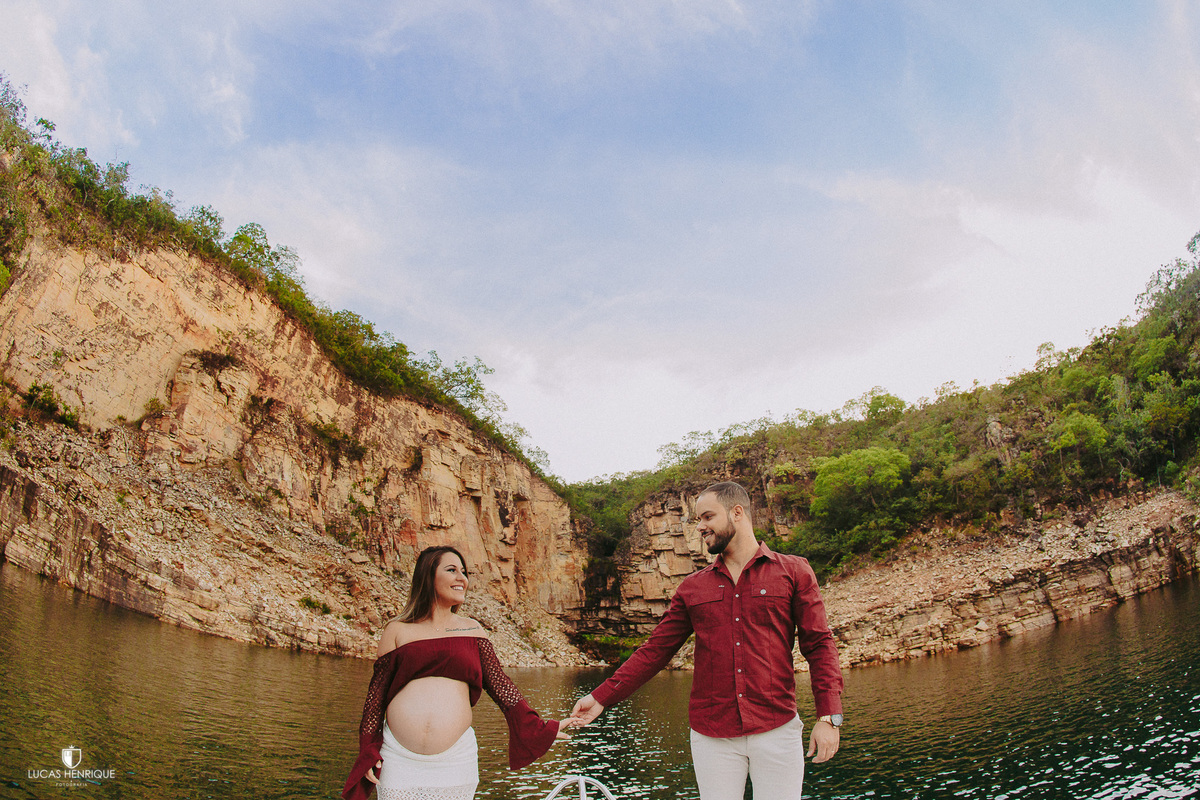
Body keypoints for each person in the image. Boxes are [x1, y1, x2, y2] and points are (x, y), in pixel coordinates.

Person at [570, 481, 844, 800]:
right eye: (698, 519)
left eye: (707, 517)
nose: (700, 527)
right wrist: (602, 697)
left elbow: (819, 645)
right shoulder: (692, 588)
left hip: (777, 729)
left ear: (737, 513)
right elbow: (655, 651)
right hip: (712, 737)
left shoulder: (795, 572)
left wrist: (828, 716)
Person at [342, 545, 574, 800]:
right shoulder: (397, 630)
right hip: (398, 757)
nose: (461, 578)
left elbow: (500, 686)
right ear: (428, 576)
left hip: (454, 759)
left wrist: (539, 729)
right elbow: (375, 700)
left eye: (464, 572)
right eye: (451, 570)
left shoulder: (472, 629)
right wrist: (369, 750)